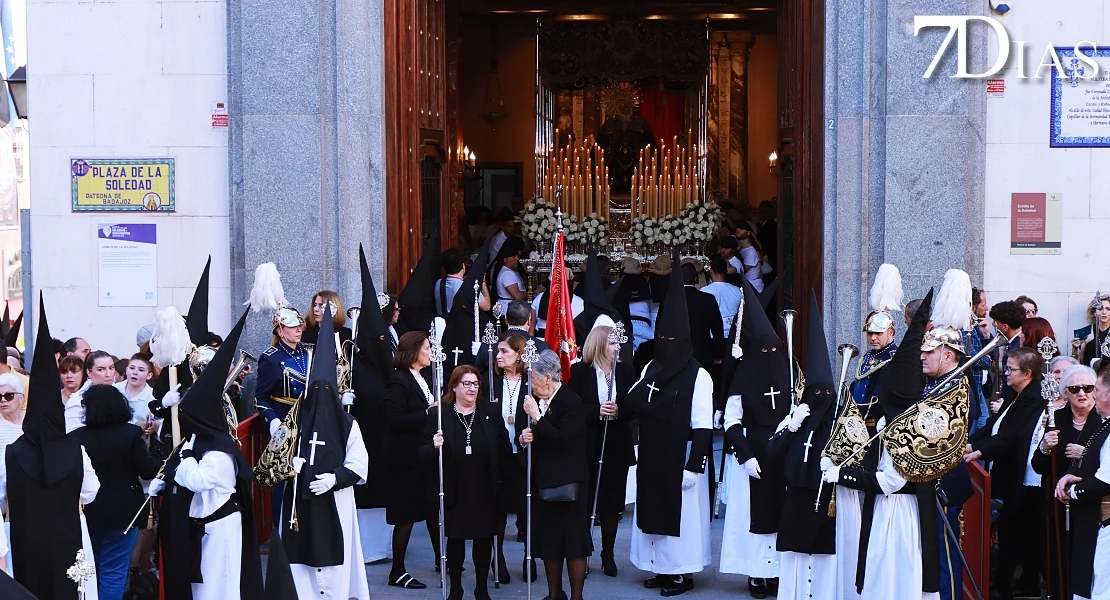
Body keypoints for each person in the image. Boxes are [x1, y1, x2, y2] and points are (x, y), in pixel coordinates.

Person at [152, 310, 264, 600]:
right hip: (203, 527)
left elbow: (198, 479)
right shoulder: (200, 442)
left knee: (221, 585)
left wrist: (184, 458)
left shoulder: (219, 453)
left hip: (220, 526)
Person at [627, 248, 714, 597]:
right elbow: (634, 398)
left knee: (683, 520)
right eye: (662, 338)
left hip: (681, 457)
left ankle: (682, 573)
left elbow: (704, 425)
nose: (666, 344)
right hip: (652, 452)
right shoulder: (652, 368)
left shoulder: (700, 377)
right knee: (652, 512)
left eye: (673, 340)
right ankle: (659, 567)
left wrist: (695, 467)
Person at [1, 299, 101, 599]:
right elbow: (91, 491)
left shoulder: (12, 452)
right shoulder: (75, 449)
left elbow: (1, 495)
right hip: (69, 533)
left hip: (24, 537)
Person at [281, 305, 371, 600]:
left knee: (336, 559)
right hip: (300, 502)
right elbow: (274, 458)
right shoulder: (295, 420)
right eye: (314, 388)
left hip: (336, 500)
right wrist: (288, 461)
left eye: (326, 388)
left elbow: (359, 465)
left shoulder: (348, 424)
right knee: (300, 557)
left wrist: (335, 479)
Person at [720, 280, 790, 598]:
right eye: (764, 349)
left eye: (774, 349)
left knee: (778, 515)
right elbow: (731, 421)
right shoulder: (744, 375)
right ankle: (755, 573)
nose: (770, 354)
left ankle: (775, 572)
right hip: (750, 459)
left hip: (780, 457)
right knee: (752, 518)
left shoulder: (789, 374)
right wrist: (746, 455)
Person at [768, 292, 837, 600]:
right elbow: (772, 452)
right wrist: (793, 424)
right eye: (815, 392)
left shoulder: (838, 422)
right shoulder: (798, 416)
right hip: (796, 498)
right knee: (795, 557)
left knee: (824, 560)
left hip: (825, 502)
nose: (820, 396)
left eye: (826, 392)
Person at [965, 347, 1046, 599]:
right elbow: (994, 426)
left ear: (1028, 373)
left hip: (1023, 476)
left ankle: (1007, 585)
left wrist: (978, 450)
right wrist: (968, 442)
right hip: (1008, 473)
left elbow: (1013, 437)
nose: (1005, 373)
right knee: (1009, 529)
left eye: (1011, 369)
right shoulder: (1016, 394)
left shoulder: (1034, 398)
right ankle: (1003, 582)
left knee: (1015, 532)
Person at [425, 365, 511, 600]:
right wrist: (433, 446)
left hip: (484, 487)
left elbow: (503, 448)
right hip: (455, 487)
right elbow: (421, 453)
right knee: (456, 540)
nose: (472, 388)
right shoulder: (439, 415)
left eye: (475, 384)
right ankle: (456, 589)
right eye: (467, 384)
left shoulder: (490, 412)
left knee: (484, 539)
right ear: (454, 386)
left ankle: (481, 588)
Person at [71, 384, 162, 600]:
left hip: (87, 512)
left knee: (88, 571)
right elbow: (147, 470)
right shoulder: (130, 434)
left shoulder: (76, 437)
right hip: (124, 512)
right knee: (114, 572)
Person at [517, 348, 592, 600]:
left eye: (534, 379)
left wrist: (537, 418)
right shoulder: (532, 401)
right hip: (543, 481)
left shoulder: (571, 402)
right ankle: (553, 594)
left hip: (569, 481)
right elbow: (525, 434)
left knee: (573, 542)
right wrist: (523, 439)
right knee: (549, 543)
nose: (531, 384)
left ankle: (576, 596)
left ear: (548, 377)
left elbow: (562, 440)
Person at [569, 325, 635, 577]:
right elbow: (573, 408)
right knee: (585, 504)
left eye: (618, 344)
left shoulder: (627, 372)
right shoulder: (580, 372)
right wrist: (596, 411)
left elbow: (634, 406)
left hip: (616, 445)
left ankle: (608, 554)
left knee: (611, 504)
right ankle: (582, 554)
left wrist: (619, 411)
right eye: (611, 343)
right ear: (598, 345)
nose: (617, 348)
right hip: (587, 446)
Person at [249, 262, 311, 527]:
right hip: (285, 422)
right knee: (284, 476)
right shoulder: (271, 359)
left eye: (300, 326)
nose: (298, 330)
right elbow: (260, 398)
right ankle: (282, 524)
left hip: (308, 417)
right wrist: (272, 420)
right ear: (280, 330)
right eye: (293, 327)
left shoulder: (307, 352)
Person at [1033, 364, 1100, 600]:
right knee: (1058, 558)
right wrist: (1044, 447)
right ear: (1065, 392)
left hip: (1092, 505)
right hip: (1058, 504)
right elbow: (1038, 466)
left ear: (1096, 391)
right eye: (1074, 388)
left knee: (1087, 561)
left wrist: (1086, 454)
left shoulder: (1104, 420)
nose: (1081, 393)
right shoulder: (1055, 418)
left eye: (1087, 388)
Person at [350, 245, 396, 563]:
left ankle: (384, 548)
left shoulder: (388, 366)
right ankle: (365, 549)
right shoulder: (354, 363)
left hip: (386, 440)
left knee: (384, 491)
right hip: (363, 436)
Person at [383, 330, 439, 589]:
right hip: (405, 458)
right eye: (426, 347)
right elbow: (394, 420)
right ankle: (397, 571)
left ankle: (443, 559)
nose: (430, 351)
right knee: (405, 516)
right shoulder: (399, 381)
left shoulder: (422, 376)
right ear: (414, 351)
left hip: (423, 455)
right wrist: (427, 414)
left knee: (431, 508)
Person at [1054, 366, 1110, 600]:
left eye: (1095, 389)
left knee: (1100, 586)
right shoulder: (1105, 424)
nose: (1092, 395)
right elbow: (1090, 460)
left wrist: (1073, 491)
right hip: (1093, 520)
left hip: (1105, 521)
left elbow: (1104, 482)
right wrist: (1071, 473)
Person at [486, 331, 533, 583]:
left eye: (505, 351)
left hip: (524, 453)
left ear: (519, 354)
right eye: (497, 350)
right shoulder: (490, 380)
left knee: (527, 509)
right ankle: (499, 557)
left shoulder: (531, 380)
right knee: (499, 510)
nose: (498, 355)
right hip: (499, 454)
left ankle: (529, 556)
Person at [64, 350, 117, 432]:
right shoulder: (77, 401)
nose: (108, 374)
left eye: (111, 368)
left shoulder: (121, 393)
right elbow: (72, 433)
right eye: (101, 369)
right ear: (89, 372)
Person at [701, 256, 743, 334]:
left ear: (711, 271)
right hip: (733, 333)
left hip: (712, 334)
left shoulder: (704, 291)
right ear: (726, 271)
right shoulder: (738, 291)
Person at [114, 354, 157, 426]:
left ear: (149, 375)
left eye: (141, 370)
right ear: (126, 370)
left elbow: (160, 421)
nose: (135, 372)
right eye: (132, 368)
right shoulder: (114, 389)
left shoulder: (153, 396)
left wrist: (155, 426)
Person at [492, 236, 527, 314]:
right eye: (513, 257)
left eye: (517, 256)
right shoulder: (506, 274)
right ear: (505, 259)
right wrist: (532, 293)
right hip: (508, 313)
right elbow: (518, 296)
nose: (517, 259)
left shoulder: (511, 271)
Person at [1077, 293, 1110, 366]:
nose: (1104, 312)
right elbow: (1078, 361)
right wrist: (1075, 349)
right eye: (1100, 308)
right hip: (1090, 374)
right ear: (1094, 312)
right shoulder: (1085, 332)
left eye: (1108, 309)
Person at [434, 248, 467, 316]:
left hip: (441, 324)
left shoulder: (438, 283)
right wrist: (483, 281)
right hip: (460, 325)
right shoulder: (465, 286)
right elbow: (486, 306)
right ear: (463, 266)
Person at [733, 222, 765, 293]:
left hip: (753, 286)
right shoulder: (739, 250)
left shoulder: (751, 251)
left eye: (742, 228)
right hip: (746, 285)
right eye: (737, 228)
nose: (738, 229)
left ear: (748, 233)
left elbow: (742, 270)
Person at [0, 373, 24, 455]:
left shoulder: (33, 422)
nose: (3, 400)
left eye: (9, 395)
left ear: (21, 398)